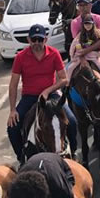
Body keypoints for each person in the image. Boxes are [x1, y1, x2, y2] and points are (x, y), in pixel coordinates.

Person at [6, 24, 78, 163]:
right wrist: (12, 110)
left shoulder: (54, 53)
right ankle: (22, 157)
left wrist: (47, 90)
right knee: (12, 128)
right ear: (29, 40)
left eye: (40, 40)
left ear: (46, 39)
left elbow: (64, 79)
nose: (37, 43)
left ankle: (73, 152)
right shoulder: (20, 57)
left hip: (51, 95)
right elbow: (13, 84)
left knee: (72, 121)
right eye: (34, 40)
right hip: (30, 97)